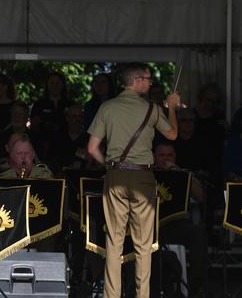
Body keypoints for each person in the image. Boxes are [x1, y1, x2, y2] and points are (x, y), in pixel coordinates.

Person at [87, 63, 179, 298]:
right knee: (143, 245)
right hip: (143, 177)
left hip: (116, 175)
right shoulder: (152, 108)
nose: (150, 83)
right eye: (148, 79)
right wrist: (171, 108)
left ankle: (112, 295)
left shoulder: (107, 107)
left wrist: (108, 164)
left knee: (114, 242)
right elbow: (173, 135)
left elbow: (92, 148)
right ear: (137, 80)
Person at [152, 142, 207, 296]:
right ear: (155, 157)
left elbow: (201, 196)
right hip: (152, 227)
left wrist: (180, 175)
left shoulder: (182, 174)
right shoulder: (146, 175)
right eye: (162, 155)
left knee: (197, 232)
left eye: (169, 155)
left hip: (177, 226)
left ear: (174, 157)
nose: (165, 159)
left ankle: (197, 285)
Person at [0, 101, 31, 167]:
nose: (17, 117)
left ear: (26, 118)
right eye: (14, 113)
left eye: (20, 114)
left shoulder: (34, 138)